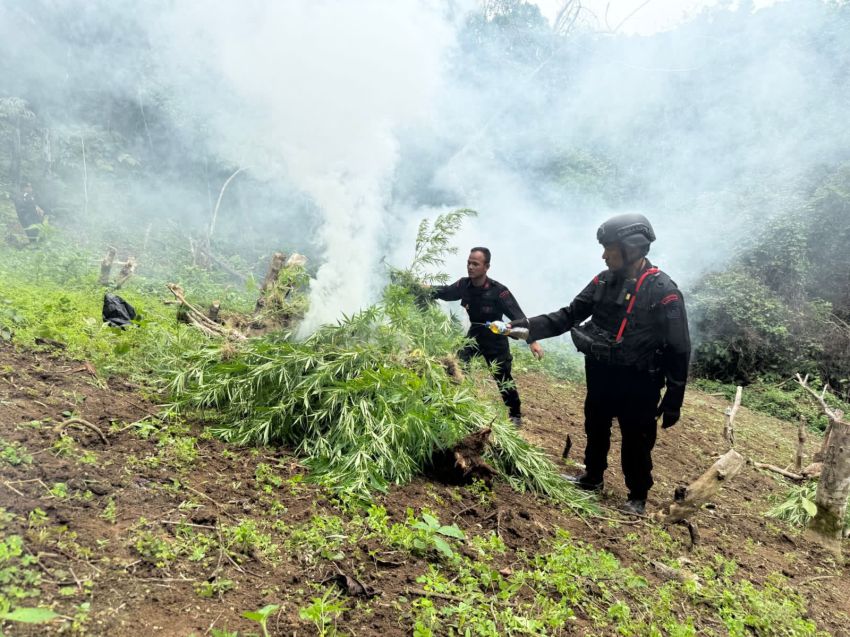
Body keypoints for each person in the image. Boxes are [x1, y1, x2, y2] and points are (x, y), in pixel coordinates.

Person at [509, 214, 690, 514]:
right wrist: (528, 327)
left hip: (640, 380)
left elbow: (679, 347)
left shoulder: (664, 292)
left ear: (631, 248)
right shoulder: (602, 281)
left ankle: (637, 496)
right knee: (595, 424)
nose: (604, 255)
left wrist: (674, 399)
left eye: (609, 248)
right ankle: (593, 477)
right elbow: (569, 315)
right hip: (601, 371)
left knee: (637, 436)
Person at [431, 247, 544, 427]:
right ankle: (460, 402)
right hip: (474, 335)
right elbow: (445, 292)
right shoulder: (464, 285)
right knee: (457, 365)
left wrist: (533, 341)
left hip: (496, 339)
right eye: (469, 263)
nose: (470, 267)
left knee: (503, 377)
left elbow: (518, 316)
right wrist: (423, 289)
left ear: (486, 267)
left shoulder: (499, 291)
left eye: (475, 264)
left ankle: (515, 414)